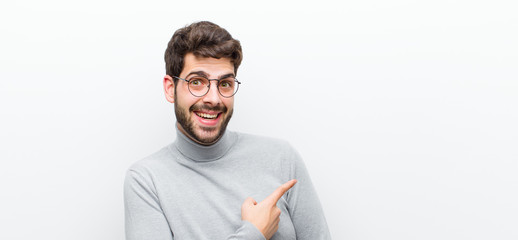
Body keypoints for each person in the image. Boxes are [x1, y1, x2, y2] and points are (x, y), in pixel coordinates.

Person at [124, 21, 331, 240]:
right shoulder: (146, 180)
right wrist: (254, 233)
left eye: (224, 84)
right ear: (170, 89)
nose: (213, 99)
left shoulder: (282, 157)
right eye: (197, 82)